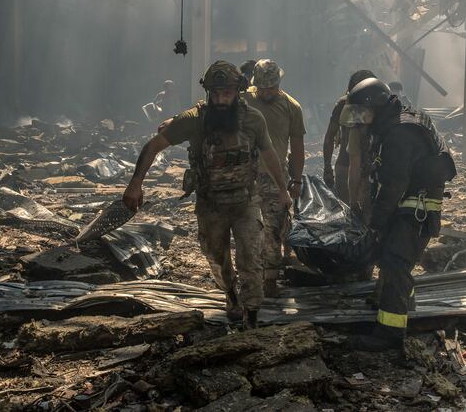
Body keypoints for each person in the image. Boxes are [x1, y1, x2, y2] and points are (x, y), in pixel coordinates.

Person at [122, 61, 291, 329]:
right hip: (211, 204)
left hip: (246, 202)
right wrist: (135, 183)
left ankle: (252, 317)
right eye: (216, 93)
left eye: (227, 93)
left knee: (251, 259)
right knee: (216, 257)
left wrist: (283, 190)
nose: (221, 99)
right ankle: (231, 294)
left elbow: (269, 155)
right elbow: (153, 146)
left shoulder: (253, 120)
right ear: (208, 93)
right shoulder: (195, 120)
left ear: (238, 92)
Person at [346, 78, 456, 351]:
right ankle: (404, 306)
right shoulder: (400, 118)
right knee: (396, 261)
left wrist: (376, 223)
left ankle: (389, 333)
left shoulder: (399, 133)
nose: (361, 119)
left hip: (414, 209)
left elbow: (393, 185)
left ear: (376, 106)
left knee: (395, 263)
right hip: (411, 204)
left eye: (363, 112)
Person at [242, 59, 306, 295]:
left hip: (274, 179)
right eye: (262, 87)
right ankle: (249, 276)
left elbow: (298, 147)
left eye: (271, 88)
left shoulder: (291, 107)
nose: (266, 92)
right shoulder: (244, 99)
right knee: (246, 228)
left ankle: (269, 279)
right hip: (244, 177)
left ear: (279, 83)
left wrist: (296, 179)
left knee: (273, 229)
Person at [322, 70, 376, 202]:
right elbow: (330, 137)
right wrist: (327, 168)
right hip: (346, 166)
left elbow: (329, 137)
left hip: (371, 170)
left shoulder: (378, 105)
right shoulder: (343, 104)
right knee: (347, 214)